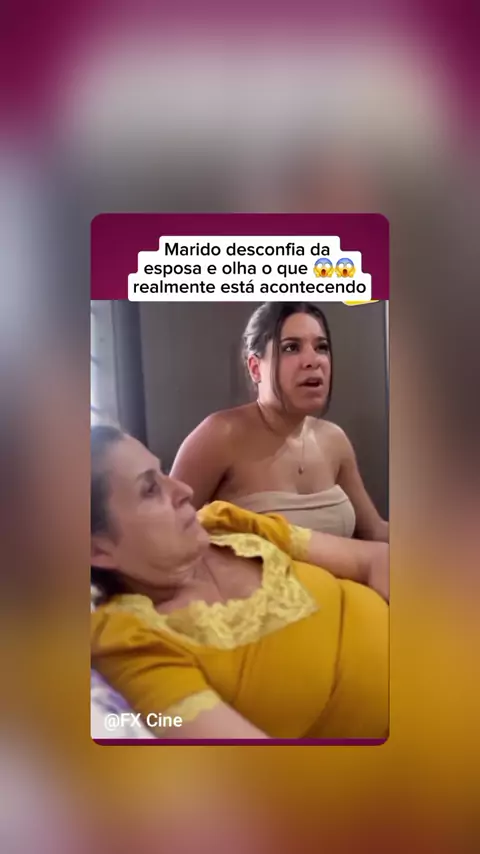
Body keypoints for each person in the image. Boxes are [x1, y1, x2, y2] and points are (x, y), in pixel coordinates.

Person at [91, 425, 388, 740]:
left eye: (164, 473)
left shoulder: (226, 523)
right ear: (98, 550)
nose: (185, 490)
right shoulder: (130, 641)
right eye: (150, 489)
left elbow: (373, 559)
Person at [170, 302, 388, 541]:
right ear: (255, 368)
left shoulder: (334, 439)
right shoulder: (220, 436)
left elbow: (374, 531)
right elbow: (165, 536)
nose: (313, 360)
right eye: (291, 347)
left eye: (321, 347)